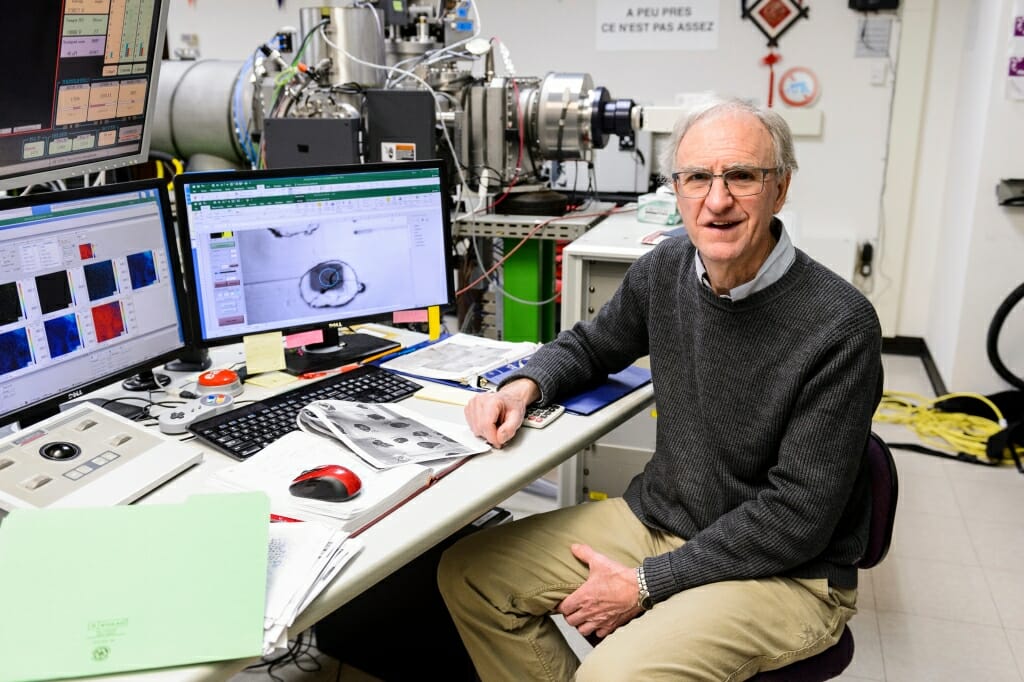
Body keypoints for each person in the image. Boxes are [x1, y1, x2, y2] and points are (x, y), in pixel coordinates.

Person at [437, 95, 883, 681]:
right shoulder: (667, 266)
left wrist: (648, 583)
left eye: (742, 177)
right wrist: (521, 386)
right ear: (675, 188)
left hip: (788, 572)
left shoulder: (840, 324)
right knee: (471, 576)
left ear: (781, 188)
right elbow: (595, 345)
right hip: (662, 520)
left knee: (612, 677)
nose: (716, 200)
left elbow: (796, 518)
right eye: (697, 177)